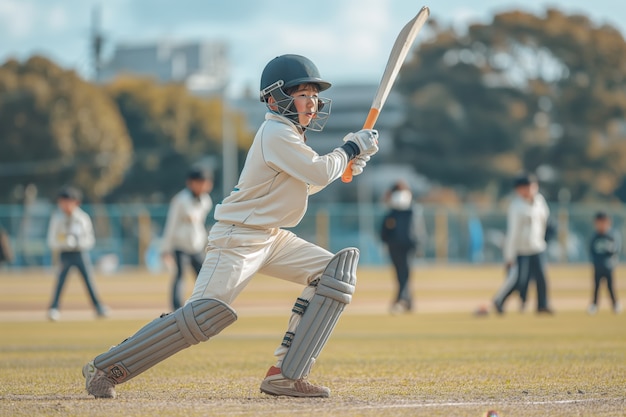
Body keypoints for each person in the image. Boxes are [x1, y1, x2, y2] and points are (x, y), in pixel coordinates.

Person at [81, 54, 379, 399]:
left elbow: (309, 181)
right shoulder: (275, 132)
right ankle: (105, 367)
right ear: (274, 98)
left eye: (314, 94)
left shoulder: (291, 137)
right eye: (302, 93)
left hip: (271, 237)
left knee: (333, 274)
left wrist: (348, 161)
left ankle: (285, 375)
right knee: (202, 317)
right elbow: (318, 171)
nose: (311, 102)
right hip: (238, 237)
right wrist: (350, 148)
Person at [493, 173, 553, 315]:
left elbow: (545, 222)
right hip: (521, 249)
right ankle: (499, 300)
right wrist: (509, 256)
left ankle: (542, 305)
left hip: (537, 247)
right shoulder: (516, 207)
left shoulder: (540, 202)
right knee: (519, 280)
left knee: (541, 278)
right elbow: (512, 233)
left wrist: (543, 240)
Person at [46, 186, 108, 321]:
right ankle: (54, 308)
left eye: (68, 202)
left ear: (76, 202)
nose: (65, 205)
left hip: (80, 253)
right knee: (60, 282)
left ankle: (98, 307)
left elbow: (90, 239)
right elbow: (51, 240)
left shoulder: (82, 218)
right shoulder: (57, 218)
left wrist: (78, 243)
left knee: (88, 280)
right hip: (64, 254)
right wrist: (64, 244)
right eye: (62, 202)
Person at [161, 167, 213, 311]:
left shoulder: (206, 200)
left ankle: (205, 304)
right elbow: (171, 224)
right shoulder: (180, 200)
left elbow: (199, 224)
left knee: (203, 275)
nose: (204, 185)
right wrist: (165, 249)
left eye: (206, 182)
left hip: (196, 246)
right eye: (200, 182)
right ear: (191, 183)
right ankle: (176, 308)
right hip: (180, 245)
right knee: (179, 276)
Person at [380, 181, 426, 314]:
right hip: (394, 246)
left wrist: (419, 245)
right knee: (400, 274)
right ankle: (408, 302)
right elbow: (384, 231)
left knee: (404, 273)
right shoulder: (391, 213)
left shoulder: (413, 211)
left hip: (408, 246)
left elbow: (418, 231)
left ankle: (400, 299)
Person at [588, 211, 622, 314]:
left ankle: (615, 304)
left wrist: (612, 261)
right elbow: (591, 250)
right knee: (596, 286)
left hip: (608, 266)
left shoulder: (611, 235)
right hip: (597, 266)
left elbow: (616, 249)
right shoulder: (595, 236)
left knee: (610, 286)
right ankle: (594, 305)